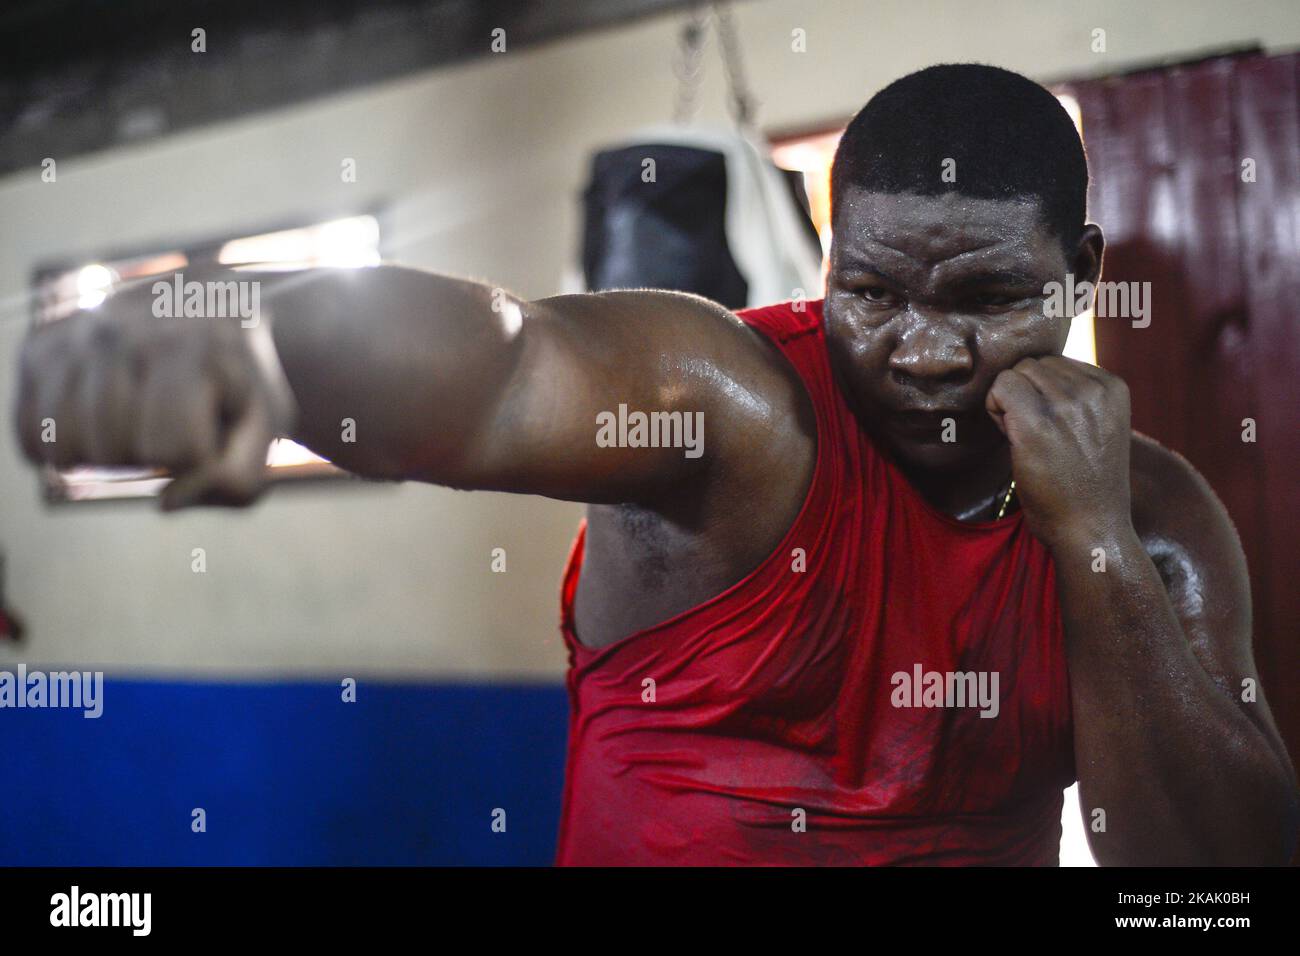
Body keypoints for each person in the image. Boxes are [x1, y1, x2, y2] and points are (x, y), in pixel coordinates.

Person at [15, 64, 1297, 865]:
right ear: (825, 260)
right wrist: (266, 335)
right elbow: (510, 359)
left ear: (1080, 269)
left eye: (989, 297)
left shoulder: (1154, 512)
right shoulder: (734, 409)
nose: (919, 352)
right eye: (870, 292)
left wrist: (1093, 545)